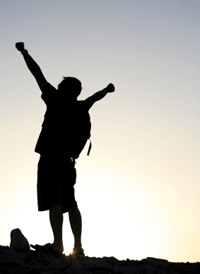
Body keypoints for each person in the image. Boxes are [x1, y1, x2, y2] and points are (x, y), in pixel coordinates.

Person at [15, 42, 115, 257]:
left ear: (62, 89)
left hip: (50, 158)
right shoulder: (81, 106)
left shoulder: (54, 99)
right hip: (69, 162)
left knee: (55, 200)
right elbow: (94, 98)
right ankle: (78, 247)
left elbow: (37, 73)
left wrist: (25, 53)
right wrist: (107, 89)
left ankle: (58, 244)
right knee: (71, 202)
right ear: (77, 92)